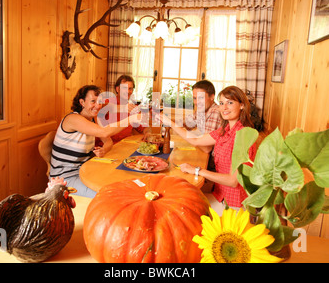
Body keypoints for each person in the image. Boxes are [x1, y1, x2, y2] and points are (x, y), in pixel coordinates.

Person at [159, 85, 257, 213]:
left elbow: (233, 181)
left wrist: (197, 170)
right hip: (219, 194)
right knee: (182, 199)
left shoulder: (244, 136)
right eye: (221, 103)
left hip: (233, 204)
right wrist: (171, 123)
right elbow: (195, 140)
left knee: (185, 209)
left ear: (242, 105)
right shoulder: (225, 130)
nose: (224, 108)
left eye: (230, 103)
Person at [50, 85, 139, 198]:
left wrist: (104, 150)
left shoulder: (93, 118)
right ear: (82, 102)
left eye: (100, 102)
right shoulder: (73, 119)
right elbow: (104, 132)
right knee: (107, 195)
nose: (98, 105)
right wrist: (131, 119)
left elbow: (108, 141)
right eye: (93, 101)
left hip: (84, 171)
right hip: (64, 178)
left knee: (117, 184)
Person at [98, 75, 151, 145]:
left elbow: (145, 127)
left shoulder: (131, 108)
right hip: (106, 146)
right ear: (117, 89)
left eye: (130, 88)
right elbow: (103, 107)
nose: (128, 91)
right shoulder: (107, 102)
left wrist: (148, 133)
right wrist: (123, 108)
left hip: (125, 145)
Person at [183, 80, 222, 176]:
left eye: (200, 98)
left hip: (214, 167)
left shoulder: (215, 112)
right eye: (195, 98)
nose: (196, 102)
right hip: (206, 160)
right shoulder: (203, 109)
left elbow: (206, 148)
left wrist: (188, 133)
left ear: (212, 97)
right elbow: (187, 123)